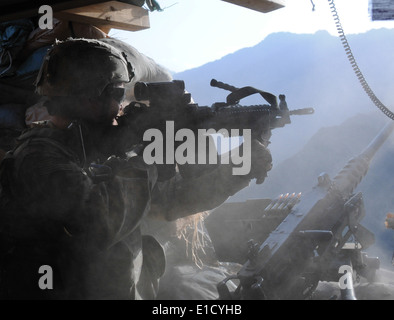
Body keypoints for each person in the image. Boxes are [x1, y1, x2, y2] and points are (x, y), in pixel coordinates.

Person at [0, 38, 273, 300]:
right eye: (116, 93)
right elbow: (95, 222)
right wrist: (147, 157)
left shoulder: (90, 149)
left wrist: (241, 166)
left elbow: (166, 202)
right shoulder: (38, 159)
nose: (121, 105)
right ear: (85, 97)